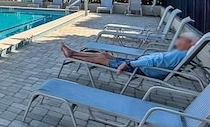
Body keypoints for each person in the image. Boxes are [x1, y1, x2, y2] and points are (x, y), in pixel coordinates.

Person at [60, 32, 199, 79]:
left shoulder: (178, 54)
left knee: (102, 59)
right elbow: (157, 60)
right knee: (104, 54)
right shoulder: (181, 53)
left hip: (140, 68)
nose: (178, 40)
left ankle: (72, 54)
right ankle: (72, 54)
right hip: (140, 64)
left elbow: (155, 62)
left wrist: (129, 63)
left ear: (187, 42)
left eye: (181, 38)